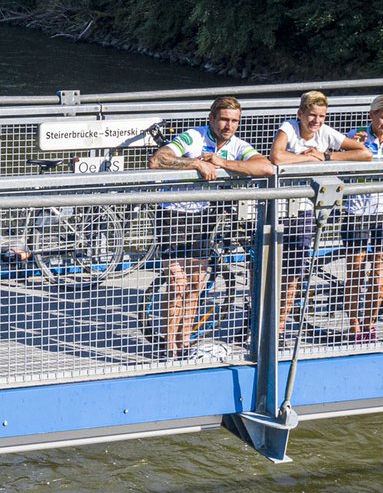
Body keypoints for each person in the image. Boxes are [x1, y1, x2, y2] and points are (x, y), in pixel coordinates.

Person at [149, 96, 275, 355]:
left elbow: (266, 167)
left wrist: (222, 163)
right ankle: (168, 344)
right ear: (212, 119)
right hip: (173, 212)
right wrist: (195, 162)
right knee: (177, 282)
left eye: (234, 121)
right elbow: (158, 159)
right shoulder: (193, 136)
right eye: (224, 120)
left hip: (204, 215)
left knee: (197, 281)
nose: (229, 126)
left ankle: (184, 343)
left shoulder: (237, 144)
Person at [266, 91, 371, 334]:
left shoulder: (325, 133)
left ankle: (279, 328)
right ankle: (260, 323)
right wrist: (305, 159)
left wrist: (324, 156)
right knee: (269, 268)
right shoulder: (289, 129)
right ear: (300, 114)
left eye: (321, 116)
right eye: (311, 115)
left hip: (306, 209)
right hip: (279, 207)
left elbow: (364, 153)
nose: (316, 121)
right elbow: (277, 155)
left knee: (293, 273)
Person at [344, 94, 383, 340]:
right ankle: (355, 325)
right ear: (372, 116)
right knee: (356, 272)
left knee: (380, 276)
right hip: (357, 211)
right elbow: (338, 164)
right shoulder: (356, 134)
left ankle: (369, 324)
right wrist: (351, 146)